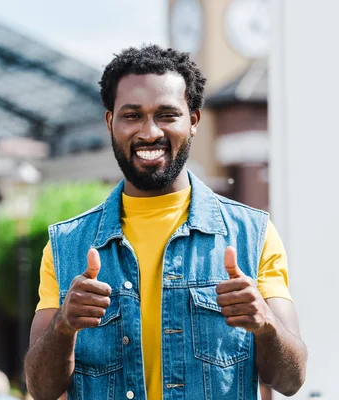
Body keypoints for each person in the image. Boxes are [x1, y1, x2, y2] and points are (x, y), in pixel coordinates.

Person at [24, 44, 307, 400]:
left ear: (193, 121)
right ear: (111, 122)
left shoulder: (253, 235)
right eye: (132, 115)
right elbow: (41, 390)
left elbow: (291, 381)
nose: (149, 132)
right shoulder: (67, 246)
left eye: (167, 114)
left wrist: (264, 322)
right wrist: (64, 325)